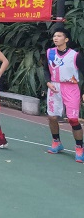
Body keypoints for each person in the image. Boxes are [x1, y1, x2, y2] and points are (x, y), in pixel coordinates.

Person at [44, 28, 84, 163]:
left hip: (71, 87)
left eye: (59, 36)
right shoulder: (50, 52)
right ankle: (56, 142)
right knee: (52, 116)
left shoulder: (75, 55)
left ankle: (79, 147)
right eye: (54, 36)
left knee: (73, 119)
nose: (55, 38)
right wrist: (48, 82)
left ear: (66, 39)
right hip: (54, 86)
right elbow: (46, 69)